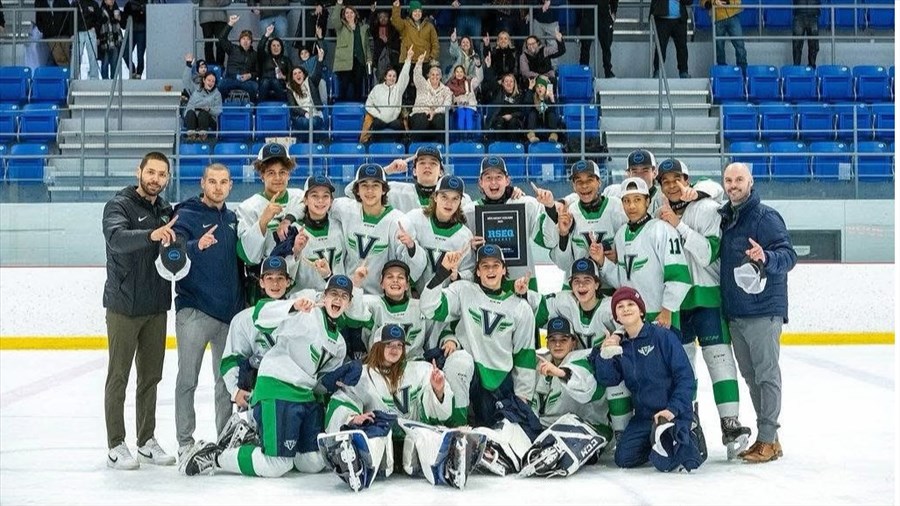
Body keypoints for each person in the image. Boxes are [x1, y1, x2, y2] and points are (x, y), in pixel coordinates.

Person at [178, 274, 363, 478]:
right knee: (276, 464)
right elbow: (261, 315)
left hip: (307, 397)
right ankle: (215, 456)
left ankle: (255, 437)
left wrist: (334, 379)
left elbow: (320, 382)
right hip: (278, 388)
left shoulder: (339, 344)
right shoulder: (307, 315)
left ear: (349, 302)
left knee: (311, 461)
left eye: (344, 296)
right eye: (334, 294)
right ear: (324, 296)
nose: (338, 299)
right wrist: (293, 307)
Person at [656, 159, 751, 459]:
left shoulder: (707, 207)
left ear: (688, 179)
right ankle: (690, 422)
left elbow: (709, 253)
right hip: (675, 301)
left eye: (677, 179)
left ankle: (730, 423)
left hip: (708, 298)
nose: (672, 185)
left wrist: (679, 224)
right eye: (665, 181)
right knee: (684, 369)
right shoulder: (657, 210)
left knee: (720, 361)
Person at [321, 324, 484, 491]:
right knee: (373, 439)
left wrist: (438, 390)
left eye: (399, 345)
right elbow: (343, 399)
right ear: (378, 346)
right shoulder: (362, 374)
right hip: (381, 437)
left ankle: (450, 466)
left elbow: (440, 412)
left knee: (427, 436)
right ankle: (357, 467)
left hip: (412, 436)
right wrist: (352, 418)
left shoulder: (421, 370)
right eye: (389, 344)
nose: (395, 349)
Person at [102, 152, 178, 470]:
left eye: (161, 175)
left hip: (155, 306)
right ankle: (116, 444)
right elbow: (117, 239)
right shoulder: (118, 205)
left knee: (150, 378)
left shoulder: (165, 210)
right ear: (139, 172)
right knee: (118, 376)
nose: (155, 179)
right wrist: (151, 235)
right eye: (151, 172)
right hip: (123, 306)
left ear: (167, 179)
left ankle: (146, 441)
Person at [718, 162, 797, 463]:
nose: (733, 185)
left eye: (739, 179)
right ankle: (771, 440)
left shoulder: (765, 217)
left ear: (751, 182)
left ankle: (766, 438)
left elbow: (788, 256)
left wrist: (766, 256)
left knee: (766, 375)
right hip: (737, 312)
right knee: (752, 378)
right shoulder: (727, 217)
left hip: (763, 310)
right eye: (728, 180)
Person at [169, 163, 244, 459]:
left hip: (228, 315)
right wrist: (194, 245)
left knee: (225, 383)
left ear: (230, 185)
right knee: (187, 379)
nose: (217, 187)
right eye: (212, 181)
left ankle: (224, 438)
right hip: (194, 311)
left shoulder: (232, 218)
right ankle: (185, 442)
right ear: (202, 183)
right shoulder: (185, 215)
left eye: (223, 182)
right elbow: (171, 252)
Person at [419, 244, 537, 430]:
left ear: (504, 269)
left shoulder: (521, 308)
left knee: (499, 433)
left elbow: (525, 355)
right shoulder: (464, 290)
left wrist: (523, 399)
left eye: (495, 265)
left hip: (500, 383)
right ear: (478, 272)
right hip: (471, 374)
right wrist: (442, 273)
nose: (490, 270)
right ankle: (457, 428)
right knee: (459, 361)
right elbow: (429, 308)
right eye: (485, 266)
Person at [591, 287, 707, 472]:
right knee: (623, 459)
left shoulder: (662, 337)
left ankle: (686, 428)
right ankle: (659, 439)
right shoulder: (621, 346)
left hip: (672, 412)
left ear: (641, 311)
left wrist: (672, 409)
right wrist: (605, 354)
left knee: (677, 463)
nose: (626, 309)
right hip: (645, 417)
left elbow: (685, 378)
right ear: (616, 317)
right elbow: (609, 379)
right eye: (620, 307)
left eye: (631, 304)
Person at [518, 260, 633, 437]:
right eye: (576, 281)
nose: (581, 285)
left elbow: (633, 323)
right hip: (578, 366)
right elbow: (537, 311)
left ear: (597, 283)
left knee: (612, 367)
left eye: (587, 280)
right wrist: (524, 294)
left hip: (606, 367)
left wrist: (617, 336)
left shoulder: (610, 307)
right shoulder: (565, 301)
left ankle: (622, 433)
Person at [594, 177, 692, 333]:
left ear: (647, 201)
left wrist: (667, 310)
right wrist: (602, 261)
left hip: (660, 317)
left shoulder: (663, 230)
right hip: (632, 319)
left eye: (637, 200)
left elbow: (679, 277)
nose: (631, 206)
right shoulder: (620, 234)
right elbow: (622, 280)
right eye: (626, 201)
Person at [464, 156, 560, 289]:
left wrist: (550, 207)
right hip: (486, 284)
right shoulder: (469, 212)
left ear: (507, 180)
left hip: (523, 281)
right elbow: (460, 252)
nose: (493, 183)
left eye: (498, 177)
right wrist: (469, 247)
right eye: (488, 178)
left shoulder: (527, 205)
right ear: (480, 182)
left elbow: (549, 240)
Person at [220, 255, 295, 414]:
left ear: (288, 282)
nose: (275, 284)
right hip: (258, 393)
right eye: (269, 278)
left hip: (293, 392)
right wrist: (236, 391)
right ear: (261, 282)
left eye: (280, 278)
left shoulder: (299, 315)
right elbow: (231, 360)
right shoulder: (243, 319)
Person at [235, 143, 304, 301]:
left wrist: (288, 219)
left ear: (289, 174)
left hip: (298, 285)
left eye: (282, 172)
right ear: (261, 175)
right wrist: (263, 221)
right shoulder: (248, 207)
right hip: (264, 287)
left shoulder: (299, 197)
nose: (278, 178)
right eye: (271, 173)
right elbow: (248, 256)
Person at [331, 163, 406, 296]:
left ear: (384, 190)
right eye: (364, 185)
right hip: (348, 293)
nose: (369, 191)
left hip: (381, 297)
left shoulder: (396, 219)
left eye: (375, 185)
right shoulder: (346, 208)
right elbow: (316, 203)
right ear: (357, 190)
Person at [397, 175, 475, 295]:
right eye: (444, 197)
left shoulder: (465, 235)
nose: (449, 203)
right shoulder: (414, 218)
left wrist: (457, 276)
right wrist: (411, 247)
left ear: (460, 202)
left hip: (444, 302)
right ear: (435, 197)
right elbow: (399, 259)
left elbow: (469, 272)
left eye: (455, 198)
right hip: (412, 297)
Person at [551, 160, 626, 275]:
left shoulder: (617, 207)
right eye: (579, 181)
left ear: (599, 182)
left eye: (589, 180)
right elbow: (564, 265)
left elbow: (633, 246)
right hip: (579, 284)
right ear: (574, 186)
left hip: (612, 284)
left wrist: (620, 258)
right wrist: (563, 235)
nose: (584, 185)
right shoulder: (570, 212)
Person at [278, 175, 344, 292]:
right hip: (304, 300)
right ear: (305, 200)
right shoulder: (293, 230)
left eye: (325, 196)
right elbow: (284, 274)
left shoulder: (340, 226)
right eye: (314, 196)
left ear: (331, 200)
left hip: (337, 297)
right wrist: (296, 252)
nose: (320, 200)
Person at [373, 145, 474, 212]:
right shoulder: (396, 191)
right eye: (422, 162)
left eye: (433, 163)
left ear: (441, 172)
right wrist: (387, 170)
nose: (427, 166)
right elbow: (359, 192)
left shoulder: (458, 198)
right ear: (414, 171)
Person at [362, 46, 413, 144]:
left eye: (394, 76)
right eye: (389, 76)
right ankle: (375, 147)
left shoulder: (398, 88)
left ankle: (399, 148)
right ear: (385, 77)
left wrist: (408, 59)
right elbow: (368, 104)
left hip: (394, 121)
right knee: (375, 124)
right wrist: (378, 114)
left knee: (400, 126)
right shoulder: (377, 89)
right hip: (380, 120)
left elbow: (404, 75)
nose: (392, 78)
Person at [328, 0, 373, 102]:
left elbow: (366, 46)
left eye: (351, 12)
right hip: (344, 62)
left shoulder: (362, 28)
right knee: (343, 88)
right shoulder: (340, 27)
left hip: (360, 61)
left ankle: (357, 111)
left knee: (358, 88)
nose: (349, 15)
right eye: (346, 13)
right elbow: (334, 19)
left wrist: (369, 59)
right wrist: (339, 4)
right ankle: (342, 110)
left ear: (355, 14)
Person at [410, 53, 453, 143]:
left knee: (441, 119)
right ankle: (415, 148)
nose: (435, 77)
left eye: (437, 75)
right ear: (428, 76)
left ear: (441, 77)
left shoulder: (446, 90)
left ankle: (441, 148)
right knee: (421, 119)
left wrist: (434, 112)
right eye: (432, 74)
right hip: (420, 114)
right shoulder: (423, 85)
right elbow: (417, 76)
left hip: (436, 115)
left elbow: (447, 105)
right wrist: (419, 63)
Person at [218, 15, 259, 103]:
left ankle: (252, 110)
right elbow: (221, 38)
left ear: (251, 42)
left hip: (246, 81)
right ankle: (221, 109)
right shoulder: (232, 49)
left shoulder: (254, 54)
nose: (245, 41)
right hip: (231, 79)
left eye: (248, 39)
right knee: (221, 85)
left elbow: (258, 72)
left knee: (255, 87)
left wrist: (250, 75)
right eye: (243, 38)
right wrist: (230, 23)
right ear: (239, 40)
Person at [391, 0, 440, 71]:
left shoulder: (429, 26)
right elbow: (396, 22)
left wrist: (432, 57)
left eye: (419, 11)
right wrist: (396, 8)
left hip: (425, 62)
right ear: (411, 12)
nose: (417, 13)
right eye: (415, 11)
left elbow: (435, 43)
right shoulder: (405, 24)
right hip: (408, 61)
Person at [572, 0, 616, 76]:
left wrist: (613, 12)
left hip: (603, 17)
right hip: (588, 16)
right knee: (585, 47)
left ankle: (608, 72)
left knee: (606, 46)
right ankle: (583, 72)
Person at [287, 48, 326, 135]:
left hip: (315, 114)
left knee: (314, 122)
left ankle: (313, 144)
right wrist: (305, 113)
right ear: (292, 77)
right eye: (295, 74)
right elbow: (293, 107)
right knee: (305, 122)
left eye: (299, 72)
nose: (298, 75)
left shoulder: (310, 81)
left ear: (304, 74)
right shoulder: (290, 89)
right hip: (301, 116)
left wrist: (320, 59)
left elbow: (317, 74)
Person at [650, 0, 692, 78]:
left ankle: (683, 71)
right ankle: (658, 71)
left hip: (680, 20)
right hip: (662, 19)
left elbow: (689, 1)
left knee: (682, 46)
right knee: (660, 46)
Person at [704, 0, 747, 69]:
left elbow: (738, 1)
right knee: (719, 47)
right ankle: (722, 71)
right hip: (717, 18)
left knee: (739, 44)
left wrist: (727, 2)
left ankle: (743, 72)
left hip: (733, 16)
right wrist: (714, 2)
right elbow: (704, 3)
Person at [256, 24, 292, 102]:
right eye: (273, 46)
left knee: (275, 81)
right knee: (266, 82)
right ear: (270, 47)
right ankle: (258, 108)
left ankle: (284, 105)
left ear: (281, 47)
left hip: (279, 83)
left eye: (278, 45)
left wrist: (284, 77)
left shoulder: (286, 60)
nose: (276, 48)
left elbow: (291, 75)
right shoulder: (265, 57)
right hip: (265, 82)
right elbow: (260, 47)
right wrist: (267, 35)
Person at [486, 73, 525, 143]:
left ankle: (513, 145)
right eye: (506, 81)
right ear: (502, 83)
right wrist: (489, 68)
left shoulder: (520, 95)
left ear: (514, 84)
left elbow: (522, 112)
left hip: (513, 122)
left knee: (513, 121)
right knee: (500, 120)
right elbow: (491, 83)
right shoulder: (497, 92)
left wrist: (511, 115)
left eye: (511, 81)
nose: (508, 83)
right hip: (499, 121)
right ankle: (498, 145)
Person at [183, 72, 222, 141]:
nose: (211, 83)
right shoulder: (196, 91)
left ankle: (202, 137)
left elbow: (219, 111)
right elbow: (190, 106)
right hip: (194, 117)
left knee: (203, 113)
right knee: (190, 112)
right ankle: (191, 136)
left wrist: (209, 110)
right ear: (204, 80)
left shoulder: (217, 94)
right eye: (209, 80)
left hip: (208, 118)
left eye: (213, 81)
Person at [446, 63, 483, 134]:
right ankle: (461, 137)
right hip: (458, 107)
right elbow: (449, 99)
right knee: (462, 113)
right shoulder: (449, 85)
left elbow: (480, 78)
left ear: (464, 73)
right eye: (457, 72)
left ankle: (469, 138)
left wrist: (478, 66)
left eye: (461, 72)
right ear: (454, 73)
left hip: (470, 107)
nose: (459, 74)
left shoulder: (470, 82)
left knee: (468, 113)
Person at [525, 75, 561, 144]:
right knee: (532, 113)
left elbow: (555, 112)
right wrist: (530, 88)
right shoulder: (532, 97)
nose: (539, 88)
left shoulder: (550, 97)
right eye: (537, 87)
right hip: (535, 122)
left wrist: (552, 100)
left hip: (548, 123)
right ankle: (532, 137)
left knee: (551, 114)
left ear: (545, 88)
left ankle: (553, 136)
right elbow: (526, 109)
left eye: (541, 86)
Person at [370, 6, 401, 80]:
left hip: (392, 60)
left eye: (385, 17)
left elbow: (396, 45)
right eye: (380, 17)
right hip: (379, 60)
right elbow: (371, 26)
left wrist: (388, 41)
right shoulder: (376, 29)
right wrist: (373, 13)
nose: (383, 19)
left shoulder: (393, 29)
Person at [73, 0, 101, 79]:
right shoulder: (75, 3)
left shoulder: (94, 4)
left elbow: (99, 18)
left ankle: (94, 77)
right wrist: (72, 33)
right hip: (78, 32)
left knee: (93, 55)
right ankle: (74, 76)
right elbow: (71, 18)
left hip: (90, 31)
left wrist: (95, 28)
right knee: (76, 55)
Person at [197, 0, 230, 66]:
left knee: (221, 44)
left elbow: (228, 2)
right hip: (206, 18)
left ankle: (220, 67)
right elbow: (194, 1)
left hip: (221, 18)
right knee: (208, 44)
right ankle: (210, 68)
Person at [97, 0, 123, 80]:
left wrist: (120, 19)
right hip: (104, 40)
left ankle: (113, 81)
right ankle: (105, 81)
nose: (112, 0)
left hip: (115, 41)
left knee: (114, 63)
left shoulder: (117, 10)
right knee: (105, 62)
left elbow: (123, 25)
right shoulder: (100, 11)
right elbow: (97, 25)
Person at [121, 0, 147, 79]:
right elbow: (124, 19)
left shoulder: (146, 4)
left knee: (140, 55)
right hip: (131, 31)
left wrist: (138, 14)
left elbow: (146, 16)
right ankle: (132, 70)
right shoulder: (129, 4)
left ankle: (139, 73)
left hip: (142, 31)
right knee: (125, 53)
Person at [792, 0, 820, 67]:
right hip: (799, 15)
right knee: (796, 45)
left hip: (813, 15)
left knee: (814, 45)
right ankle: (796, 68)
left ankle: (812, 67)